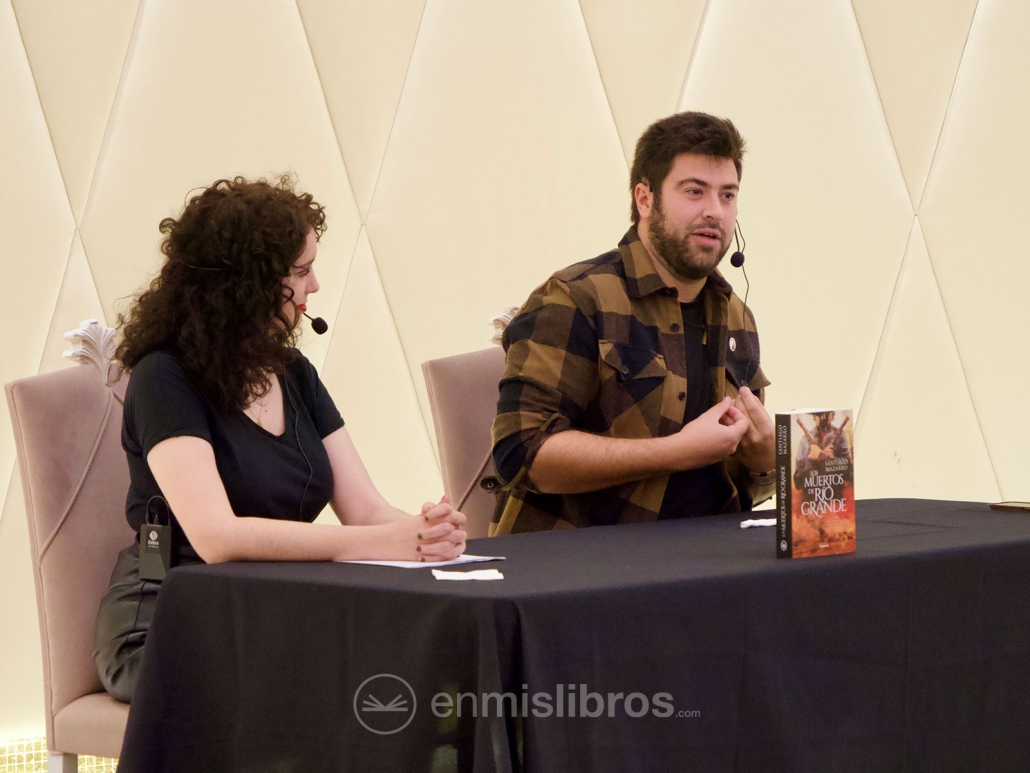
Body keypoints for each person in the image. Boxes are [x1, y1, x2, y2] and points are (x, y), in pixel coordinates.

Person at [93, 175, 467, 703]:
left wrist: (426, 532)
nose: (314, 286)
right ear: (246, 284)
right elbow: (217, 539)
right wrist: (383, 544)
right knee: (333, 684)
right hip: (168, 619)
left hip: (274, 607)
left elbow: (364, 509)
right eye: (301, 271)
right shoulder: (163, 377)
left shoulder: (294, 372)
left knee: (416, 667)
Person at [490, 112, 775, 535]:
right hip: (587, 571)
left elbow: (743, 484)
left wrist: (766, 461)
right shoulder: (574, 298)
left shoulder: (737, 316)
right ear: (645, 199)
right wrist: (676, 452)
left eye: (727, 195)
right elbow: (524, 455)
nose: (715, 211)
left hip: (712, 563)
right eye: (694, 191)